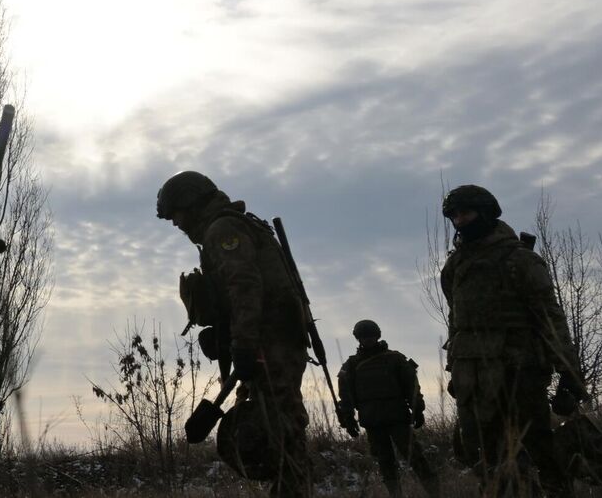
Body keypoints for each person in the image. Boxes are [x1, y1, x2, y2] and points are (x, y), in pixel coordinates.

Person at [155, 171, 312, 497]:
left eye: (177, 215)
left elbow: (244, 286)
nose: (176, 224)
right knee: (276, 426)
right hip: (270, 339)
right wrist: (226, 335)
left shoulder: (223, 229)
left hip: (270, 342)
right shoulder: (235, 225)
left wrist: (243, 343)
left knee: (276, 431)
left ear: (192, 203)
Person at [439, 184, 584, 497]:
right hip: (473, 380)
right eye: (454, 216)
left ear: (486, 213)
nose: (460, 221)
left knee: (539, 450)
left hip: (520, 374)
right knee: (485, 458)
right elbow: (457, 323)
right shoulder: (455, 266)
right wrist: (456, 368)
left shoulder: (519, 260)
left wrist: (569, 374)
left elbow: (550, 319)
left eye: (466, 212)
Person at [336, 319, 438, 497]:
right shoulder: (351, 365)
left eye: (371, 336)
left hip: (397, 417)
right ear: (358, 339)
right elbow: (345, 395)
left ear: (377, 336)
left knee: (415, 457)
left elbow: (411, 386)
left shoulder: (394, 359)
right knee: (385, 463)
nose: (367, 340)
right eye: (363, 337)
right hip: (373, 421)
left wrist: (418, 409)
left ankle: (436, 494)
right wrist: (348, 418)